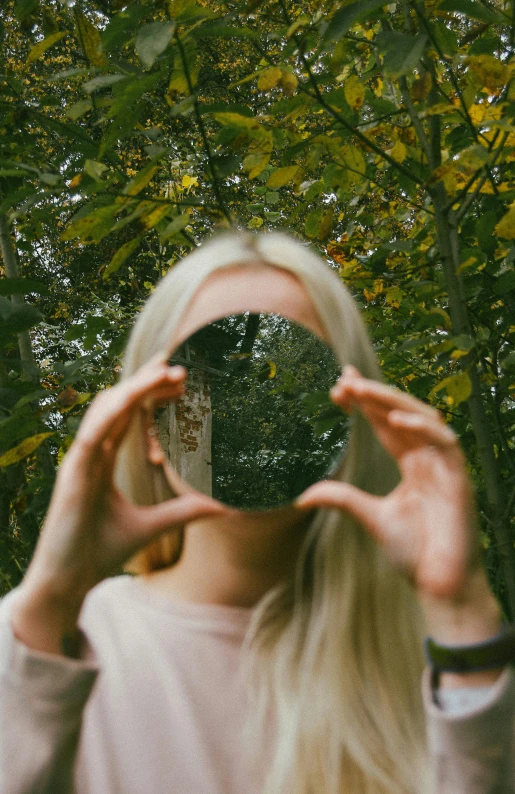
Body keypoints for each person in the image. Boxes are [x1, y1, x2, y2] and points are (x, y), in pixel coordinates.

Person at [0, 230, 513, 794]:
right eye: (201, 380)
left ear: (356, 413)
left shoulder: (434, 659)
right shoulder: (55, 648)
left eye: (297, 378)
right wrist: (51, 601)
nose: (244, 406)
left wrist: (462, 609)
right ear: (149, 427)